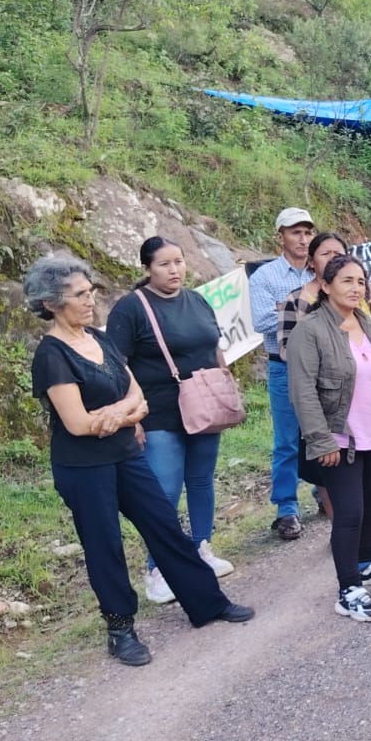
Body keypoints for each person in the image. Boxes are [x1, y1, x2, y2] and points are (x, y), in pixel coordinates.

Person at [25, 254, 254, 667]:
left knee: (164, 525)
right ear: (51, 303)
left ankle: (207, 603)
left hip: (126, 453)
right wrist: (121, 414)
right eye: (79, 294)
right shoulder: (51, 355)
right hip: (83, 467)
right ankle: (120, 630)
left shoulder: (99, 338)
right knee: (105, 545)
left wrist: (119, 414)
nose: (89, 299)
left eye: (90, 290)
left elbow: (137, 396)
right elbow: (75, 424)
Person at [286, 254, 371, 623]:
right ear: (325, 286)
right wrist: (321, 440)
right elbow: (302, 392)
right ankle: (348, 590)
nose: (356, 288)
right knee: (349, 513)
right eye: (346, 281)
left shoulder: (366, 322)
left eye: (361, 281)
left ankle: (366, 563)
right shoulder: (309, 331)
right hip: (339, 439)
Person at [105, 237, 235, 606]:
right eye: (164, 264)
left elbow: (215, 346)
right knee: (164, 491)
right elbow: (116, 365)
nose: (174, 269)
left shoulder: (196, 300)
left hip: (206, 407)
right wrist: (131, 416)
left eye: (178, 261)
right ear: (147, 268)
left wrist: (225, 385)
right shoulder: (131, 309)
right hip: (160, 412)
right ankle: (158, 568)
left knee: (200, 479)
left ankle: (201, 549)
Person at [279, 232, 371, 549]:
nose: (332, 257)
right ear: (313, 264)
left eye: (339, 252)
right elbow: (289, 351)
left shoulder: (365, 295)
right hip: (326, 403)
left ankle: (369, 541)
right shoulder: (299, 302)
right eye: (325, 253)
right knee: (334, 474)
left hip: (370, 399)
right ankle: (345, 540)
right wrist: (342, 354)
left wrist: (369, 349)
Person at [248, 207, 318, 541]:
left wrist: (286, 309)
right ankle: (286, 508)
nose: (303, 239)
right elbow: (261, 322)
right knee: (287, 439)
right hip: (284, 364)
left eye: (307, 232)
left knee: (325, 431)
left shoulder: (320, 270)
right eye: (295, 232)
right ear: (281, 236)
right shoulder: (264, 277)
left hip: (322, 364)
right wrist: (305, 308)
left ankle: (326, 492)